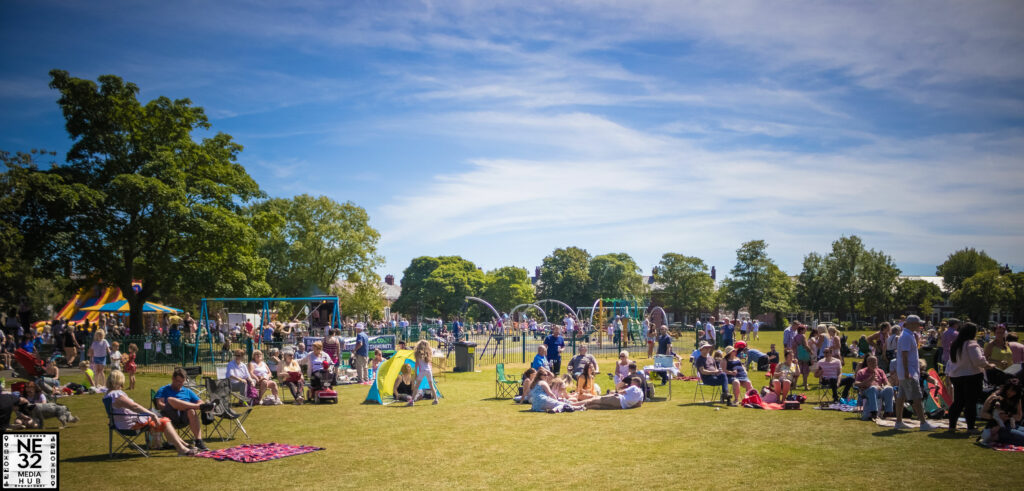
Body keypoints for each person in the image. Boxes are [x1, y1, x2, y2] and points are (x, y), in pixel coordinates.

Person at [104, 371, 197, 456]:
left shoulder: (109, 394)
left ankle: (183, 445)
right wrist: (151, 414)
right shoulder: (117, 395)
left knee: (162, 418)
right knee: (164, 421)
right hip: (131, 424)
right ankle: (182, 449)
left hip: (123, 423)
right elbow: (134, 407)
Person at [947, 322, 994, 433]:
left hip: (956, 375)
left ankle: (952, 426)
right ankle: (971, 427)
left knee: (958, 402)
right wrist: (989, 366)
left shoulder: (955, 344)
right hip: (971, 376)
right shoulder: (972, 344)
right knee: (970, 402)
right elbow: (978, 361)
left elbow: (950, 362)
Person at [894, 315, 937, 431]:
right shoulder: (906, 336)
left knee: (901, 397)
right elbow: (904, 355)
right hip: (909, 372)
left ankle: (899, 421)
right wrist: (908, 371)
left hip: (906, 371)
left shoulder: (908, 335)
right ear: (911, 324)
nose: (920, 326)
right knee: (917, 397)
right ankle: (923, 423)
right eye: (918, 324)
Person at [154, 367, 213, 451]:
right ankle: (197, 408)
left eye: (182, 382)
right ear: (173, 378)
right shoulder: (164, 389)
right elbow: (159, 404)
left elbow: (201, 402)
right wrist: (175, 405)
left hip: (184, 418)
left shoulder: (187, 391)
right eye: (178, 381)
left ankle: (198, 441)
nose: (180, 384)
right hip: (169, 417)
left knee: (191, 411)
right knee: (171, 399)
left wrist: (184, 406)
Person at [979, 378, 1024, 446]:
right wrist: (996, 417)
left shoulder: (1017, 399)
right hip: (997, 427)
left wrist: (1008, 416)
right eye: (1009, 389)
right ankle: (996, 437)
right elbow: (982, 414)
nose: (1010, 392)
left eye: (1014, 391)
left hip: (1011, 424)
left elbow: (1019, 417)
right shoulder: (995, 396)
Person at [855, 355, 895, 421]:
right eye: (871, 362)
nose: (873, 364)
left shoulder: (880, 371)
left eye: (875, 362)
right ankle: (874, 412)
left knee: (889, 389)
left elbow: (887, 383)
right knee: (873, 388)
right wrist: (869, 380)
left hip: (879, 390)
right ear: (867, 363)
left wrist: (883, 387)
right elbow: (856, 383)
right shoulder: (862, 372)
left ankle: (888, 412)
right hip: (867, 391)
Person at [408, 340, 440, 406]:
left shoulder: (418, 353)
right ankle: (436, 399)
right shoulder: (428, 353)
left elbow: (417, 364)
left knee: (416, 387)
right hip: (429, 371)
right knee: (432, 386)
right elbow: (429, 364)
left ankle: (412, 401)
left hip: (422, 371)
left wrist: (416, 373)